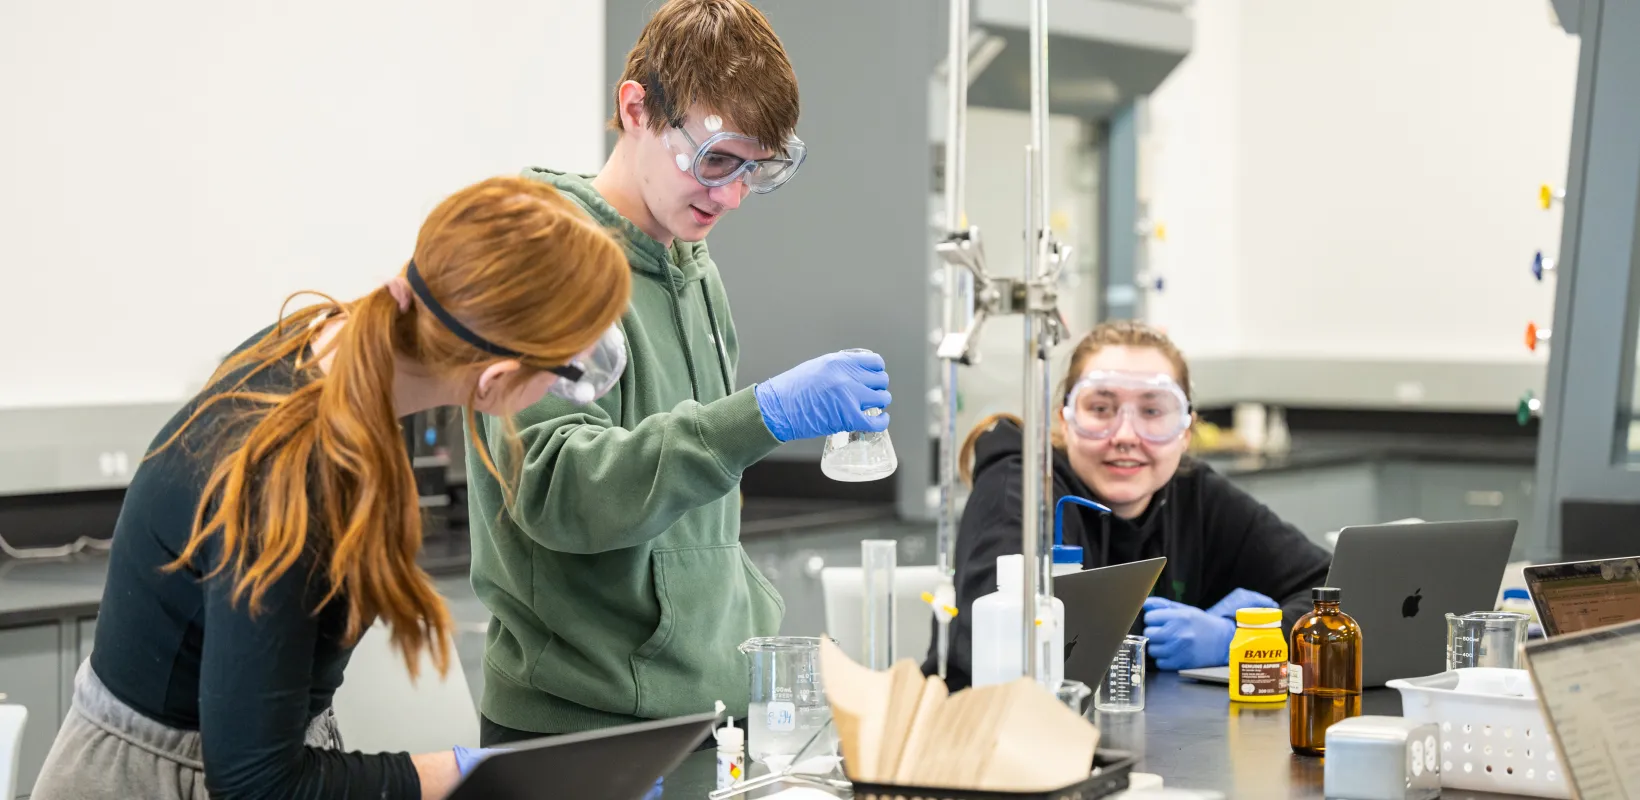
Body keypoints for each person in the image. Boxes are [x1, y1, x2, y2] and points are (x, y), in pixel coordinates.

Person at [31, 176, 632, 800]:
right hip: (157, 780)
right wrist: (477, 773)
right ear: (496, 381)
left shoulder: (334, 348)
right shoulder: (294, 480)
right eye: (560, 371)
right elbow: (260, 785)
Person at [466, 0, 893, 744]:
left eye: (754, 170)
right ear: (636, 108)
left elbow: (693, 510)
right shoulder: (546, 260)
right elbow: (557, 487)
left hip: (705, 703)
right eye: (714, 159)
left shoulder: (693, 269)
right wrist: (759, 416)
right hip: (584, 726)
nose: (729, 195)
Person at [928, 321, 1332, 690]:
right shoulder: (1019, 488)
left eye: (1153, 411)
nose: (1125, 435)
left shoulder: (1195, 493)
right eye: (1100, 409)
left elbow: (1336, 595)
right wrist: (1154, 638)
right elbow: (1006, 640)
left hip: (1154, 742)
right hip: (996, 744)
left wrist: (1240, 637)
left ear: (1186, 431)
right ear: (1065, 422)